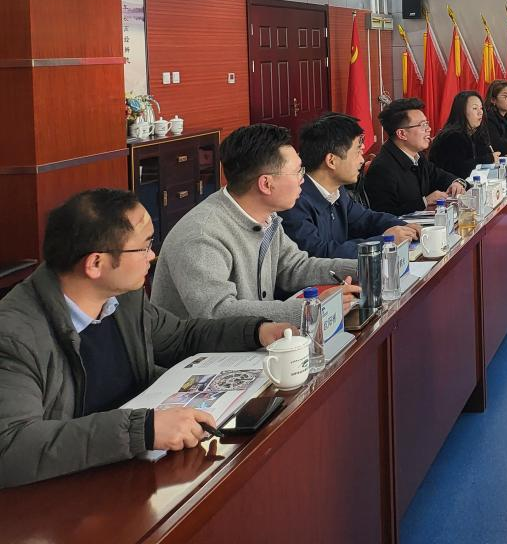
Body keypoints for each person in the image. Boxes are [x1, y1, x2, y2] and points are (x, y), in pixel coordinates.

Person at [0, 189, 293, 488]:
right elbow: (11, 447)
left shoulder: (122, 298)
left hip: (131, 468)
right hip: (62, 492)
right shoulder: (14, 335)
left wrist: (256, 331)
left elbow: (181, 337)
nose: (152, 256)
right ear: (96, 264)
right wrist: (143, 430)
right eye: (143, 247)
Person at [151, 124, 359, 325]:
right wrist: (307, 309)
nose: (302, 179)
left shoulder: (267, 217)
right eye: (298, 171)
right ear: (266, 184)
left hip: (254, 340)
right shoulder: (202, 235)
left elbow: (295, 267)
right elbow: (217, 312)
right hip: (208, 349)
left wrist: (363, 268)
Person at [280, 113, 416, 259]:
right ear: (331, 161)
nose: (361, 160)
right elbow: (318, 253)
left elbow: (366, 219)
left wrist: (404, 226)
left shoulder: (338, 191)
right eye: (358, 152)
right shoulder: (294, 201)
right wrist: (384, 242)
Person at [362, 98, 465, 216]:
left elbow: (438, 175)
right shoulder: (382, 168)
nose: (429, 129)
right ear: (402, 134)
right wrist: (424, 202)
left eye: (427, 123)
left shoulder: (417, 156)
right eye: (422, 125)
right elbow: (383, 215)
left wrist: (456, 183)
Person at [428, 90, 499, 180]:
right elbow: (459, 170)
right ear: (462, 111)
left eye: (481, 108)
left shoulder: (476, 133)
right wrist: (488, 158)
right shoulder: (451, 137)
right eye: (474, 108)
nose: (480, 112)